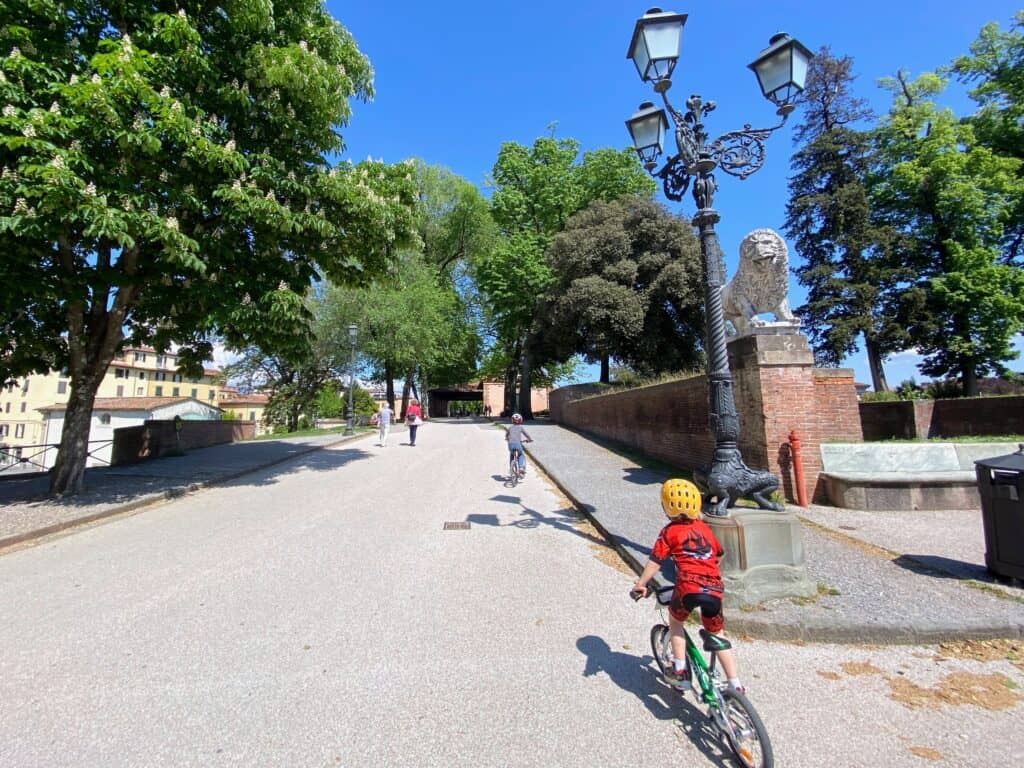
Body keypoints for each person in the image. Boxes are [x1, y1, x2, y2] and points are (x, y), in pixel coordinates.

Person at [630, 478, 743, 694]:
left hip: (688, 588)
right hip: (714, 588)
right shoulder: (705, 529)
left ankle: (680, 671)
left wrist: (641, 584)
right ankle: (735, 683)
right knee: (718, 633)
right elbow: (718, 555)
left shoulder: (669, 532)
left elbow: (655, 561)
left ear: (667, 507)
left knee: (676, 622)